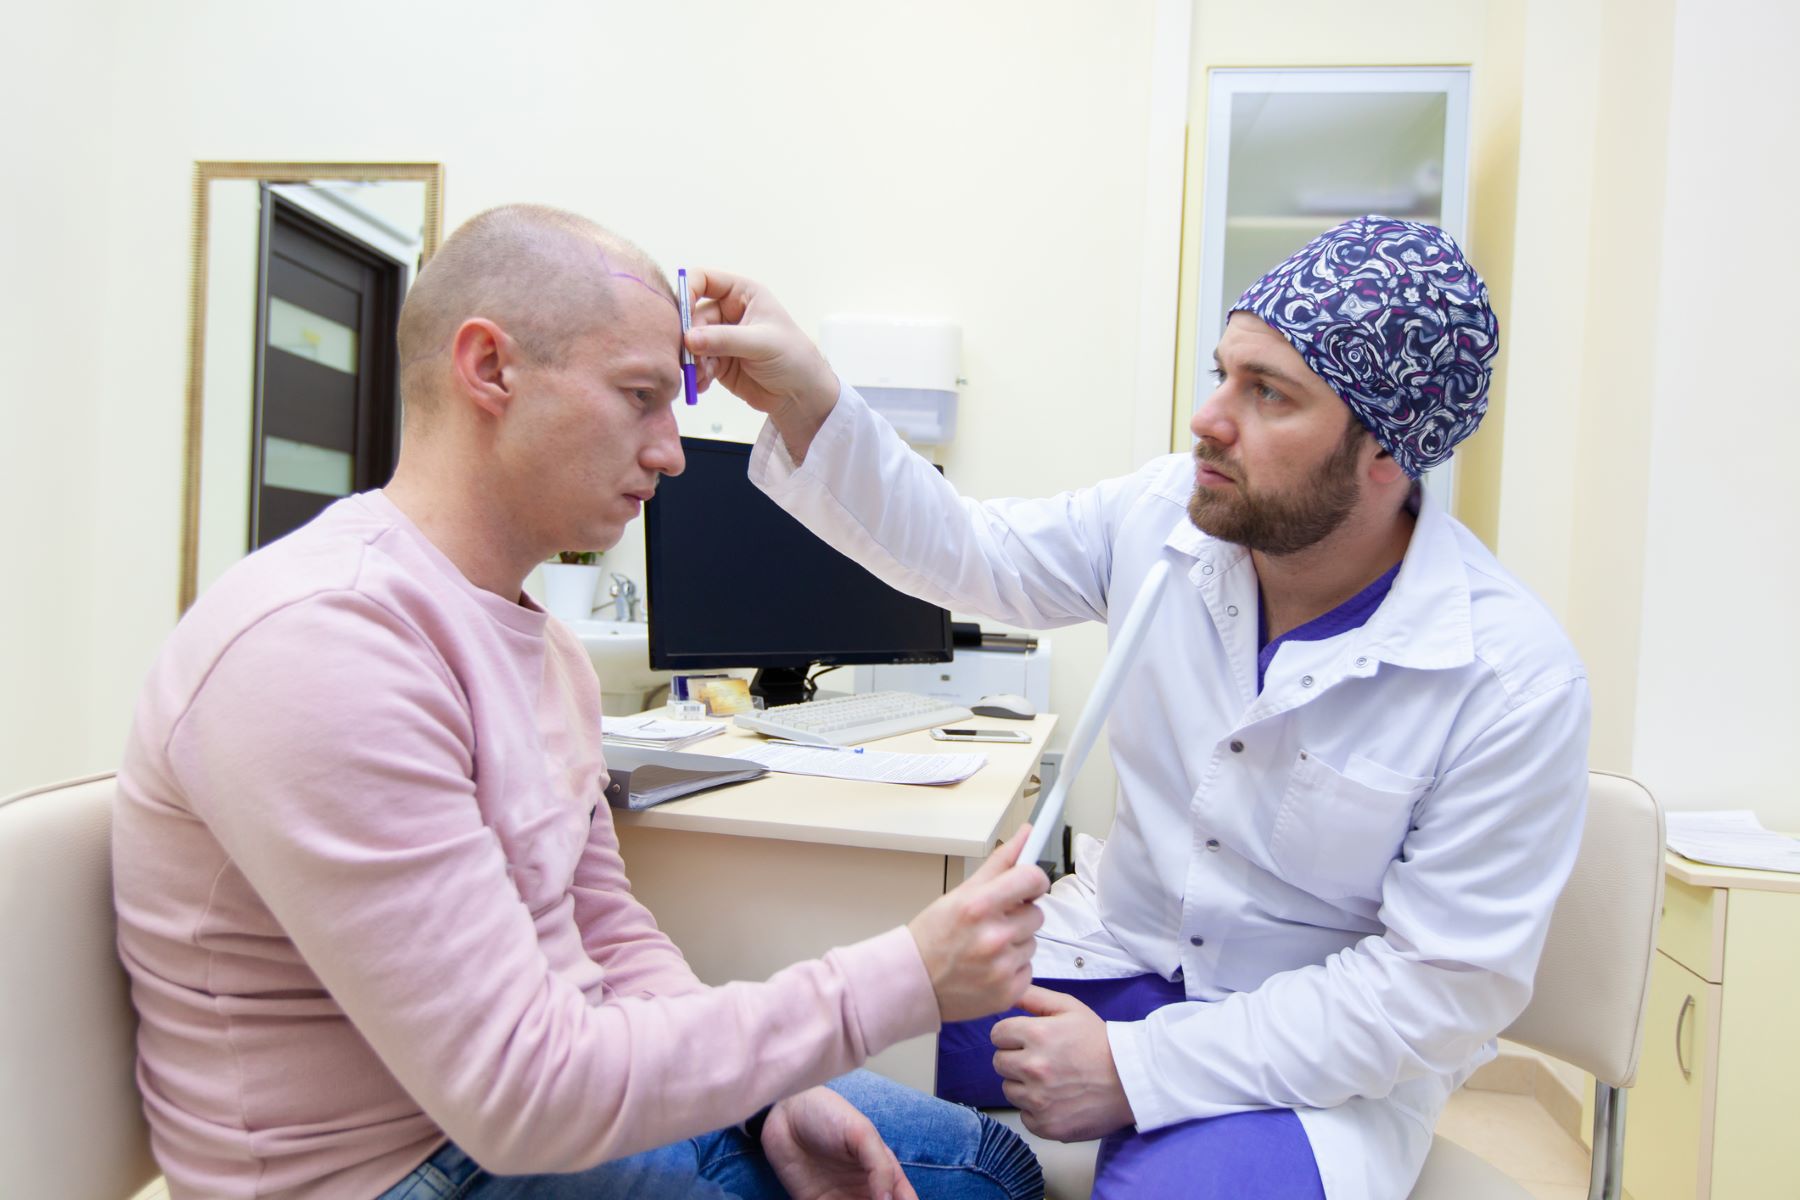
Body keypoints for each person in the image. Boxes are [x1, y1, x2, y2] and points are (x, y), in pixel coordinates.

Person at [113, 204, 1049, 1200]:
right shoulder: (320, 644)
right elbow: (524, 1093)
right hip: (416, 1164)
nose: (673, 452)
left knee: (990, 1166)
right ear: (490, 368)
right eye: (639, 397)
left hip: (546, 1095)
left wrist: (766, 1096)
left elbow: (601, 929)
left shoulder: (542, 645)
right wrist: (905, 979)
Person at [682, 216, 1591, 1200]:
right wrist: (810, 391)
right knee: (812, 1085)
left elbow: (1434, 992)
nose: (1209, 417)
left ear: (1385, 454)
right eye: (1223, 373)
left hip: (1309, 1055)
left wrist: (1136, 1070)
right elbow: (971, 552)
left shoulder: (1508, 679)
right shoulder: (1165, 516)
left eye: (1268, 393)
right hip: (1114, 953)